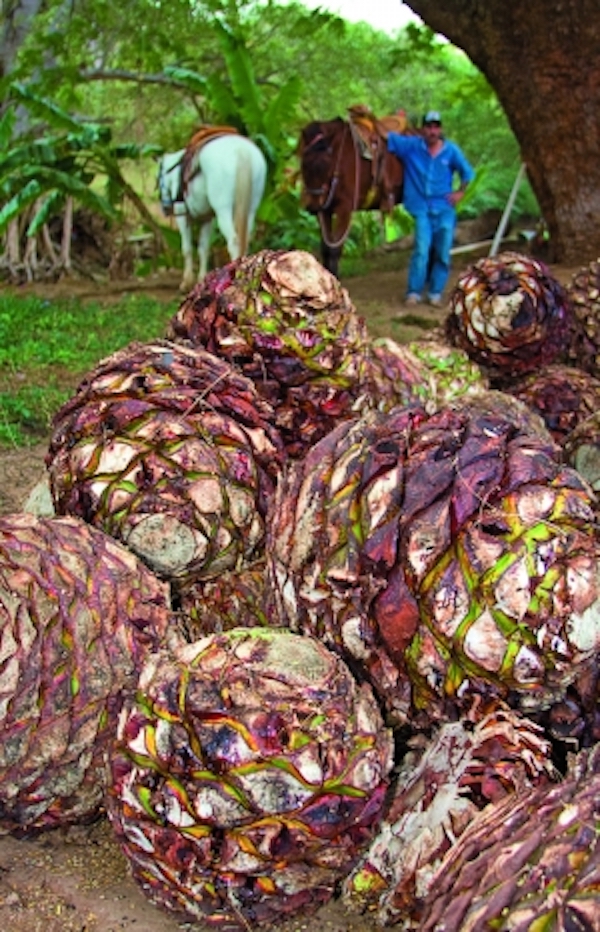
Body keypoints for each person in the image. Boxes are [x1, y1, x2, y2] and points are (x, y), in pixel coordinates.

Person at [387, 110, 475, 307]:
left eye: (436, 127)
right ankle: (414, 292)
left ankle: (435, 292)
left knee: (443, 251)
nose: (432, 131)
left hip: (444, 207)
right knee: (421, 248)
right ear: (423, 129)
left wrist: (460, 193)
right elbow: (388, 138)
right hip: (421, 207)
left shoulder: (451, 151)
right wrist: (397, 118)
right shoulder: (411, 147)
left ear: (440, 129)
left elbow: (467, 173)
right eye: (429, 126)